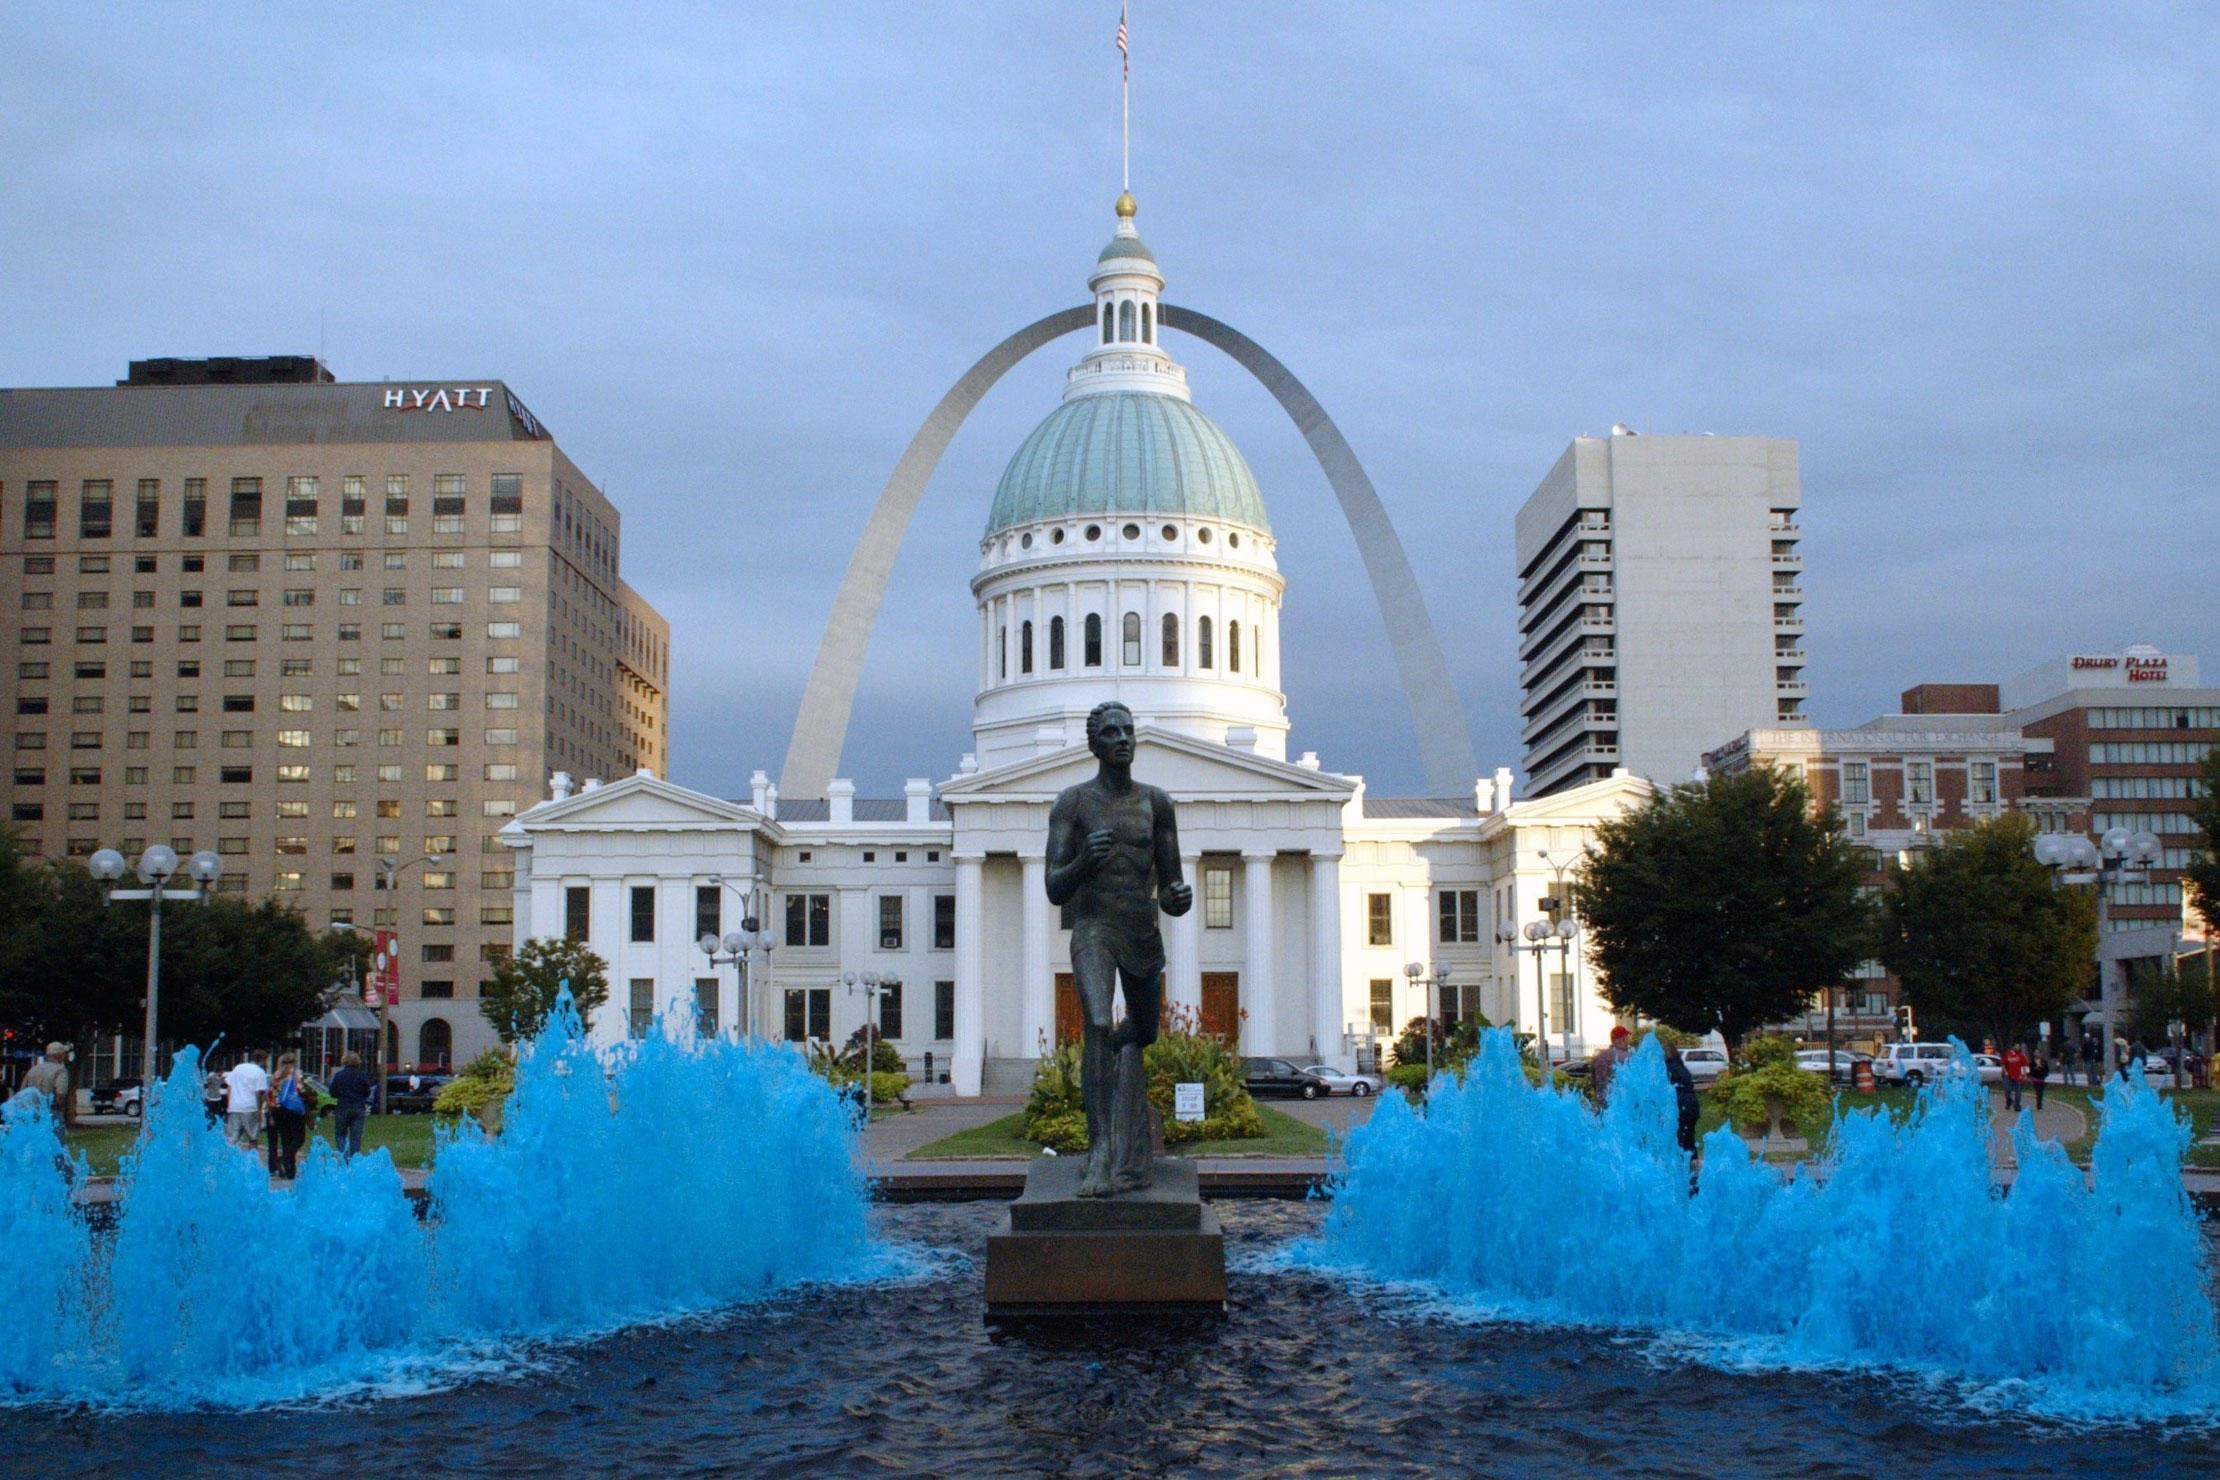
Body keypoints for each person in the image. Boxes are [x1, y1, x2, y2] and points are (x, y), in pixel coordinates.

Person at [1044, 700, 1193, 1197]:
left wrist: (1179, 897)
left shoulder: (1157, 803)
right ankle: (1101, 1152)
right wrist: (1086, 860)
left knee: (1142, 1033)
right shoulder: (1073, 803)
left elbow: (1171, 889)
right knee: (1099, 1024)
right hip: (1095, 929)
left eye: (1128, 731)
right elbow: (1054, 888)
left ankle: (1117, 1096)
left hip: (1140, 931)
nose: (1123, 738)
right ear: (1095, 744)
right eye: (1111, 732)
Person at [266, 1053, 309, 1179]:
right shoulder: (296, 1073)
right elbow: (300, 1089)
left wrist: (271, 1110)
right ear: (295, 1061)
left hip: (278, 1110)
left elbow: (270, 1093)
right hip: (293, 1110)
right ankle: (285, 1160)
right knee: (299, 1138)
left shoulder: (276, 1074)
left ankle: (289, 1170)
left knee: (286, 1139)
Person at [328, 1051, 373, 1159]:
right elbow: (367, 1092)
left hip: (343, 1107)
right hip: (358, 1108)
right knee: (356, 1137)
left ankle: (344, 1157)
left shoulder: (339, 1075)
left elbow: (332, 1092)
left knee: (340, 1135)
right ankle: (354, 1160)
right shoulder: (362, 1075)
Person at [20, 1043, 76, 1127]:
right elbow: (60, 1093)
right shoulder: (60, 1070)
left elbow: (22, 1092)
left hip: (31, 1113)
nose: (65, 1056)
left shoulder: (34, 1069)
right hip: (49, 1112)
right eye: (64, 1054)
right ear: (60, 1056)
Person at [223, 1051, 269, 1150]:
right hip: (250, 1107)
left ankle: (226, 1159)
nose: (266, 1063)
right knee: (253, 1138)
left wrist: (229, 1105)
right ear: (262, 1060)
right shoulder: (260, 1072)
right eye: (266, 1060)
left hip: (234, 1106)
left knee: (232, 1138)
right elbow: (259, 1093)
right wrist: (259, 1110)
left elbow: (229, 1087)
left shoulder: (238, 1068)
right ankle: (251, 1160)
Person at [1664, 1039, 1702, 1156]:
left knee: (1679, 1139)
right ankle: (1693, 1167)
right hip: (1692, 1104)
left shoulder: (1667, 1068)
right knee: (1689, 1139)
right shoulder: (1680, 1065)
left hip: (1680, 1105)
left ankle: (1682, 1168)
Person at [1588, 1025, 1632, 1105]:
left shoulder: (1599, 1056)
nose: (1628, 1041)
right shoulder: (1628, 1057)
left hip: (1603, 1102)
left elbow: (1594, 1081)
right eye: (1627, 1038)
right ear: (1622, 1039)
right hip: (1622, 1103)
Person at [2002, 1042, 2028, 1113]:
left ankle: (2017, 1106)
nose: (2018, 1048)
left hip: (2017, 1076)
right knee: (2007, 1090)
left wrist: (2025, 1074)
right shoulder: (2007, 1054)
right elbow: (2003, 1064)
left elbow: (2024, 1065)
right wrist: (2006, 1072)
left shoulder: (2021, 1055)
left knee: (2018, 1092)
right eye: (2016, 1046)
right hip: (2008, 1076)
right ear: (2013, 1047)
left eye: (2019, 1047)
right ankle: (2009, 1101)